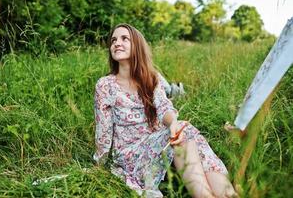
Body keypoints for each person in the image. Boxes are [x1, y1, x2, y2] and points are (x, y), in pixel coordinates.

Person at [93, 23, 237, 198]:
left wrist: (173, 123)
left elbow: (164, 107)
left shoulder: (151, 79)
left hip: (156, 143)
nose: (116, 43)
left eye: (125, 39)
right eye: (114, 40)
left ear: (137, 45)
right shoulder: (105, 85)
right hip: (130, 154)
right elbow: (104, 131)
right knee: (181, 134)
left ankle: (227, 194)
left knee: (183, 131)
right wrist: (99, 165)